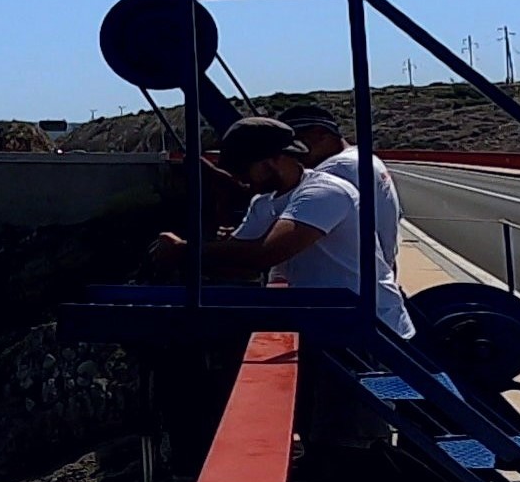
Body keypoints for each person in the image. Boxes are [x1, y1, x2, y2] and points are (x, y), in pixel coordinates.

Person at [152, 116, 415, 337]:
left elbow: (266, 254)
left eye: (243, 170)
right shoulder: (264, 202)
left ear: (272, 160)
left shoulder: (324, 192)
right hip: (335, 323)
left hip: (376, 329)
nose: (240, 179)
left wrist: (183, 249)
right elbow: (238, 264)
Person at [277, 102, 403, 269]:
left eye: (295, 144)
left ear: (320, 134)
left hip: (352, 279)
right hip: (377, 270)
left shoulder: (336, 169)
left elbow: (285, 235)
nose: (292, 154)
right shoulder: (365, 159)